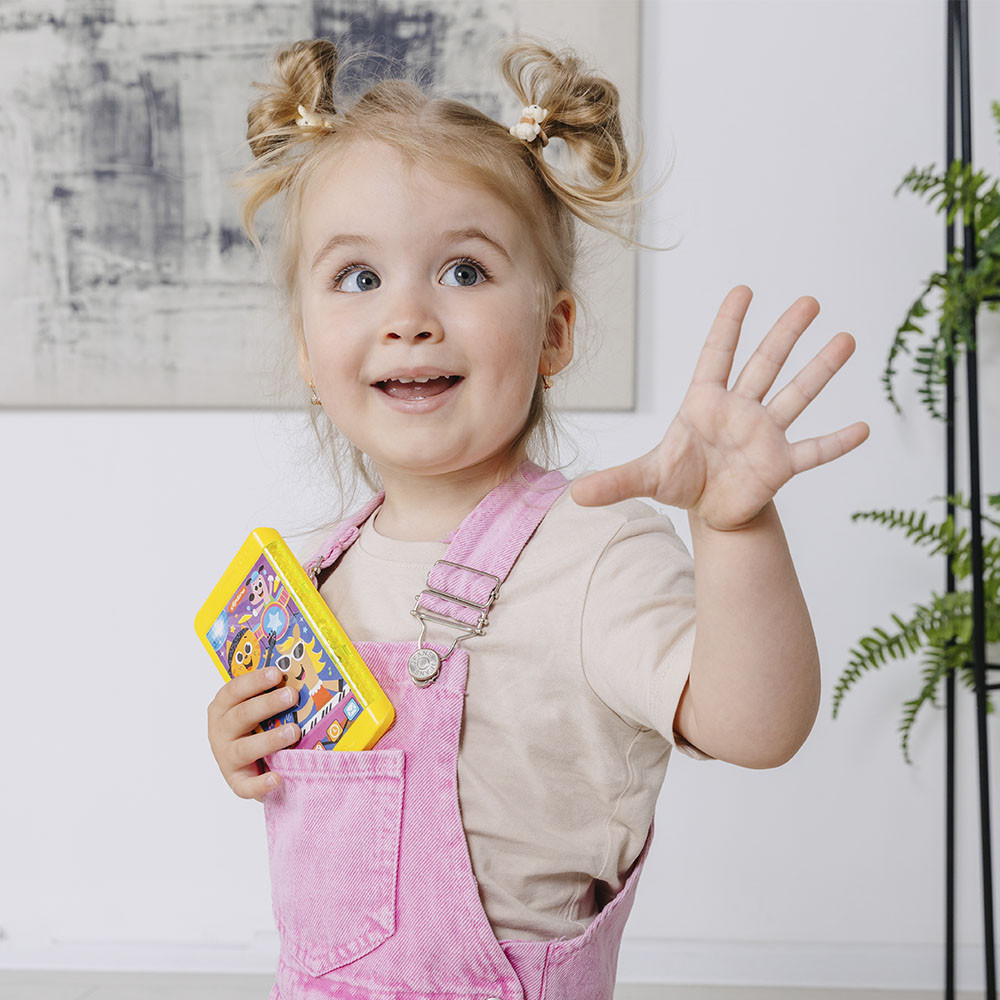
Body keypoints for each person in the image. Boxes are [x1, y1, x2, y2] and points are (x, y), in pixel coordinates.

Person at [206, 35, 869, 1000]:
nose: (408, 315)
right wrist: (241, 742)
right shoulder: (309, 578)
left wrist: (736, 531)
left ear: (553, 333)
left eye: (464, 272)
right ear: (308, 351)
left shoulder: (593, 554)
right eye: (358, 278)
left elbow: (757, 726)